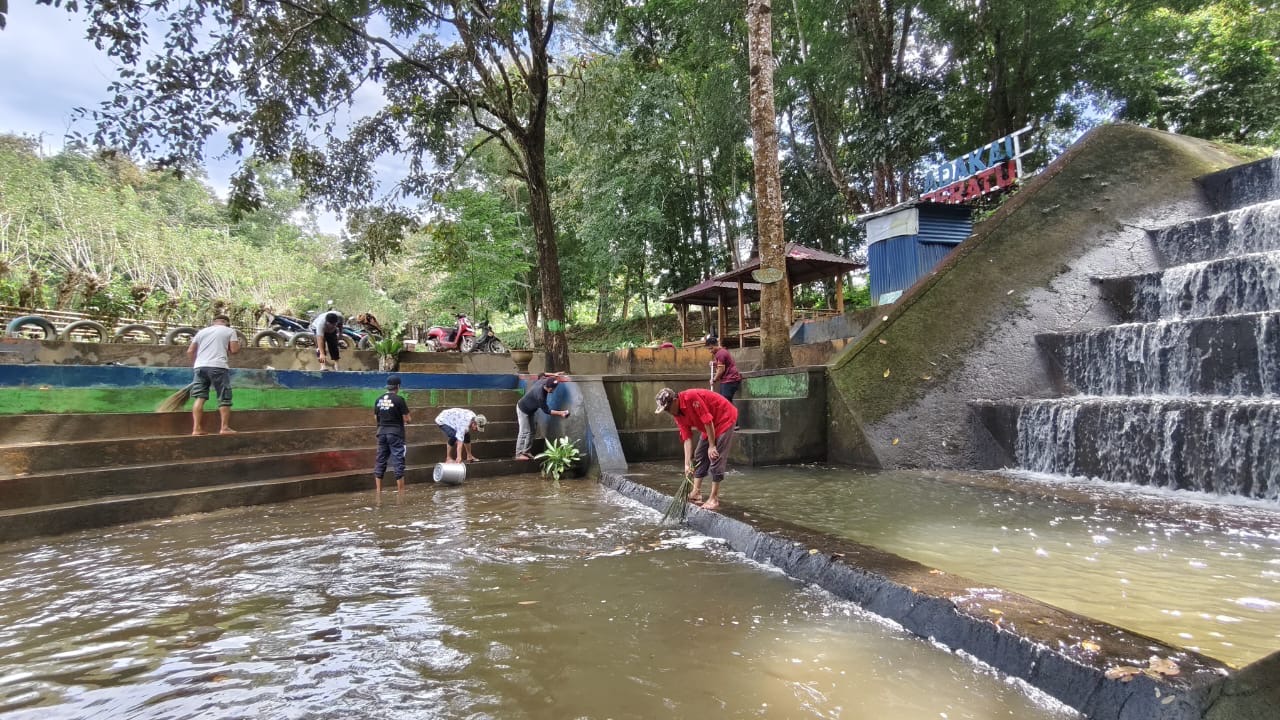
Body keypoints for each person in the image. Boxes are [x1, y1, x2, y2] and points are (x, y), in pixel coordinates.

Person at [654, 386, 738, 511]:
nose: (668, 412)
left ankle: (714, 498)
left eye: (667, 408)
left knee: (715, 456)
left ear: (675, 401)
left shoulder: (691, 398)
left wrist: (712, 446)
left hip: (724, 418)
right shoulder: (677, 415)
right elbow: (687, 438)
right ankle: (696, 492)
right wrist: (687, 464)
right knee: (699, 454)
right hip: (708, 426)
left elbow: (708, 421)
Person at [187, 314, 241, 435]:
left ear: (214, 322)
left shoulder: (201, 332)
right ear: (226, 322)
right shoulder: (229, 331)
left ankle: (196, 429)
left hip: (200, 367)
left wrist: (197, 364)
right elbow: (234, 350)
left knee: (200, 397)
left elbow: (190, 351)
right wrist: (238, 344)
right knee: (224, 397)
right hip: (218, 366)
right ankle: (224, 428)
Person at [514, 372, 570, 461]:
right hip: (523, 409)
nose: (554, 390)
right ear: (549, 388)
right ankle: (518, 454)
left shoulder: (544, 380)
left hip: (530, 410)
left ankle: (526, 451)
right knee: (524, 431)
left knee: (532, 430)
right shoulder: (540, 396)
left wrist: (554, 375)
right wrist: (561, 413)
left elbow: (541, 374)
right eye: (553, 389)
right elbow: (547, 411)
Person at [373, 374, 412, 493]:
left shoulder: (378, 399)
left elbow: (376, 418)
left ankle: (378, 491)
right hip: (395, 434)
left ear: (388, 386)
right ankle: (401, 493)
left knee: (380, 461)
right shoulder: (399, 400)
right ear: (398, 386)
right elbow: (407, 419)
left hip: (381, 433)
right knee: (398, 462)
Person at [706, 335, 743, 401]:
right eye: (709, 349)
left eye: (711, 348)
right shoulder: (721, 351)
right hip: (729, 380)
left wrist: (714, 379)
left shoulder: (720, 353)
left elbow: (721, 370)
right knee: (724, 401)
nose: (710, 351)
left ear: (716, 345)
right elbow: (723, 363)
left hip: (730, 380)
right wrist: (714, 363)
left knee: (725, 401)